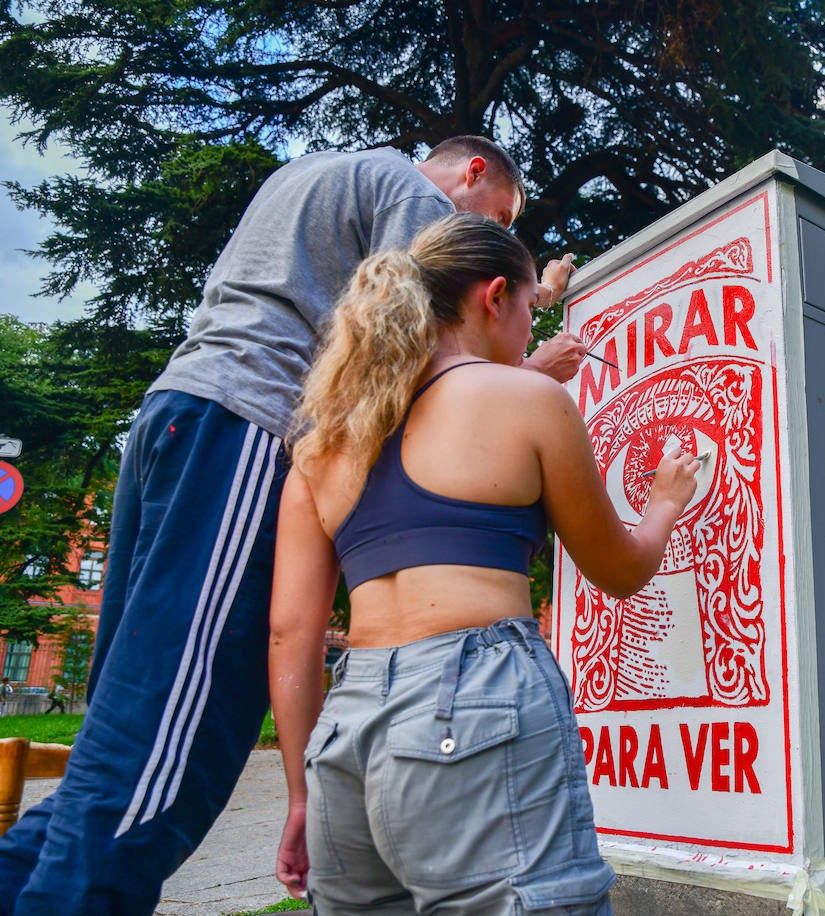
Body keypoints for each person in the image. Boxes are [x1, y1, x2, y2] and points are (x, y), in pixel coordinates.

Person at [0, 136, 587, 915]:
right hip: (246, 428)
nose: (481, 242)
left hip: (176, 418)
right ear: (472, 173)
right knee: (169, 758)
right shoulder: (415, 200)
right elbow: (424, 348)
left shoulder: (318, 171)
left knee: (122, 736)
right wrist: (528, 377)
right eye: (498, 218)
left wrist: (537, 298)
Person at [268, 212, 701, 912]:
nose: (532, 328)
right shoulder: (529, 398)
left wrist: (299, 795)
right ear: (493, 297)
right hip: (475, 692)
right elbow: (620, 571)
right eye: (531, 307)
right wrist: (663, 503)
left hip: (344, 734)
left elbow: (291, 633)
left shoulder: (323, 447)